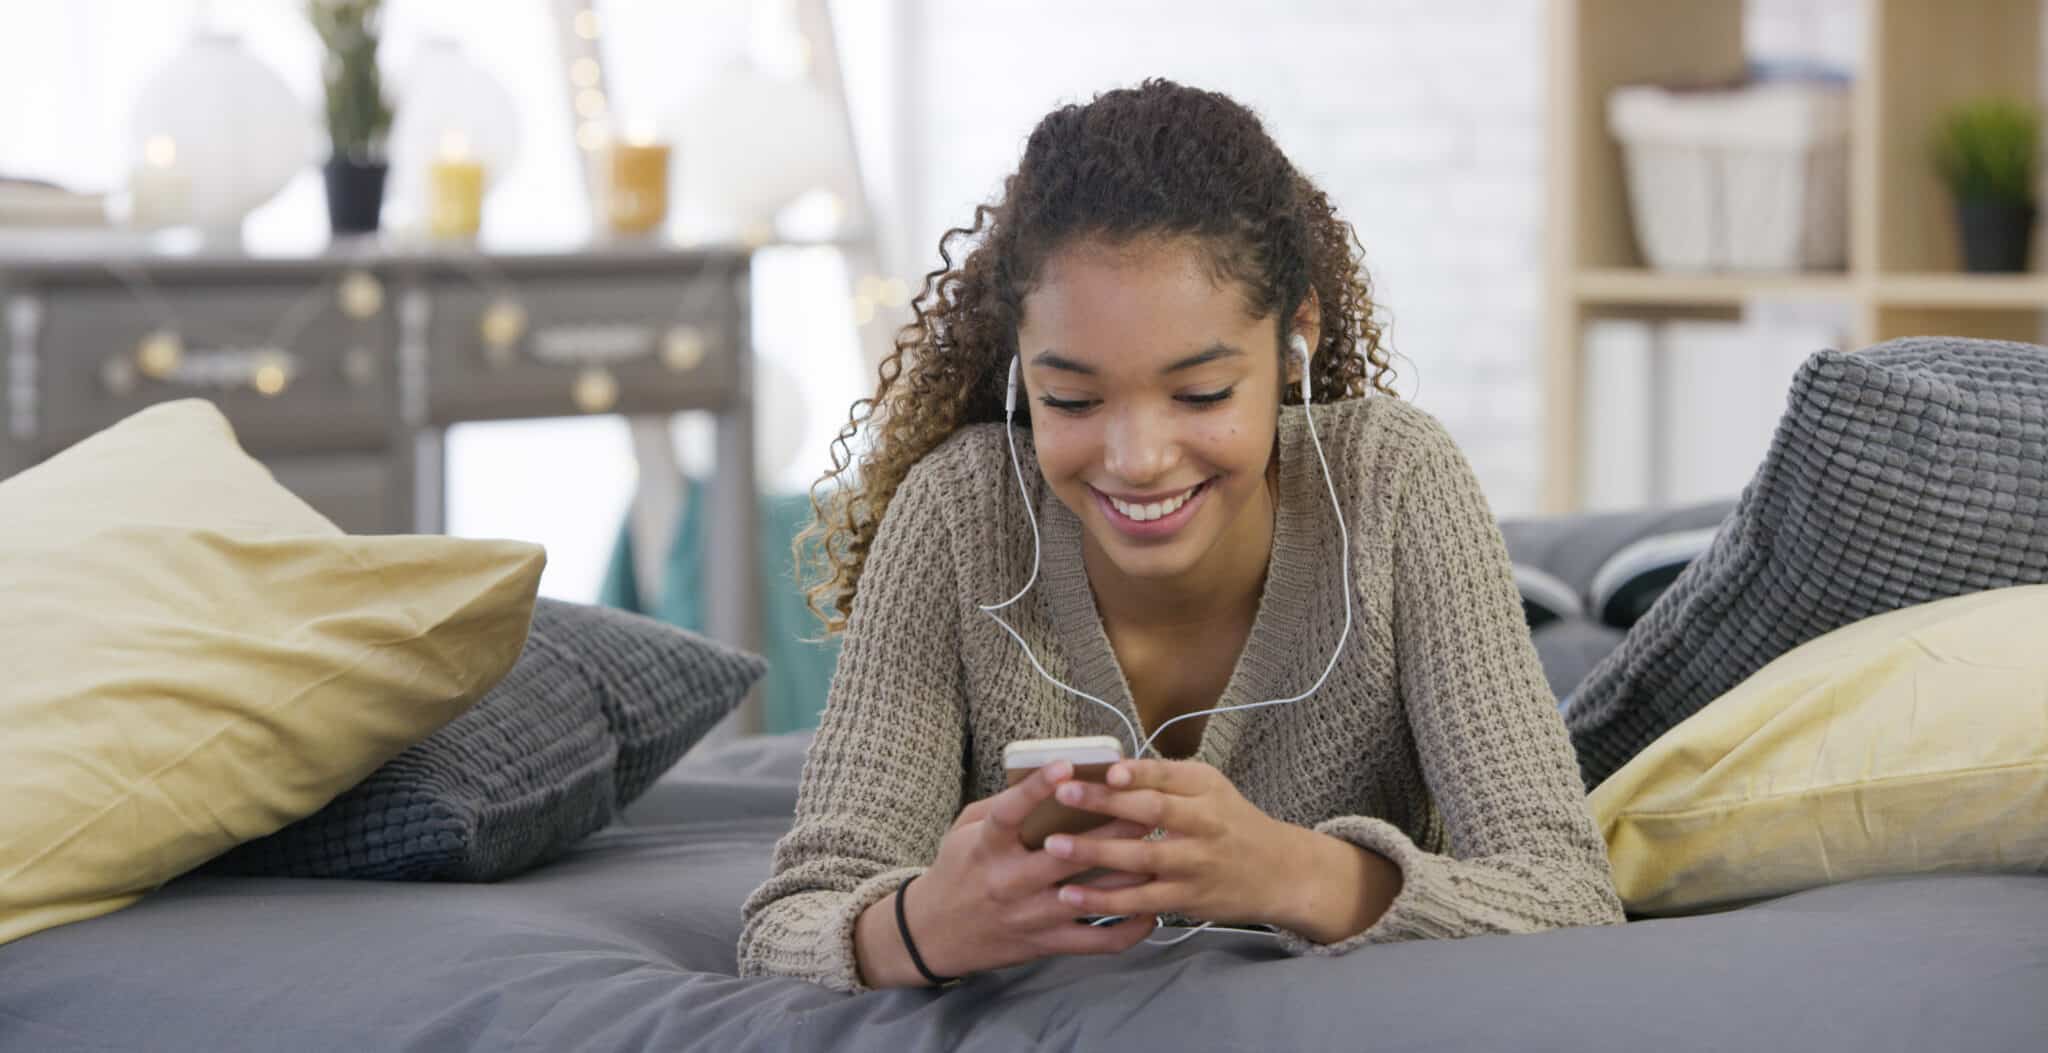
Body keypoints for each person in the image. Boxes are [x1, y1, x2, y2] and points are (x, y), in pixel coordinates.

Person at [738, 79, 1624, 994]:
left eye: (1201, 394)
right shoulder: (960, 514)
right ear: (1021, 375)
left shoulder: (1395, 483)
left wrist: (1287, 872)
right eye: (1072, 400)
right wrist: (927, 926)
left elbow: (1566, 892)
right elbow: (788, 923)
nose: (1138, 458)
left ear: (1295, 344)